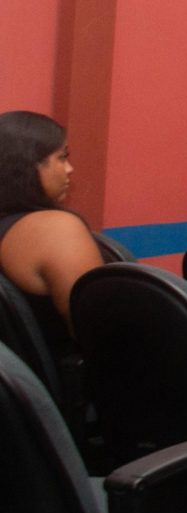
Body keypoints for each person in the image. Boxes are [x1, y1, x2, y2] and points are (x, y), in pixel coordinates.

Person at [0, 111, 101, 359]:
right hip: (72, 378)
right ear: (27, 165)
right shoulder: (55, 229)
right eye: (62, 158)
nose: (70, 169)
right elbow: (97, 329)